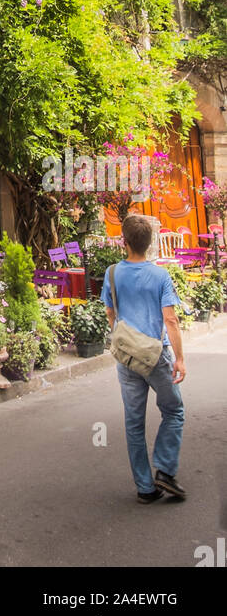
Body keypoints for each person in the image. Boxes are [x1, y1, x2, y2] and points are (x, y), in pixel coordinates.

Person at [101, 214, 186, 504]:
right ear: (150, 244)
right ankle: (164, 469)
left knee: (134, 423)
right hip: (155, 355)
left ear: (123, 242)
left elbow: (111, 314)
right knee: (173, 411)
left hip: (126, 358)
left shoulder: (112, 273)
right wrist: (180, 359)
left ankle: (145, 488)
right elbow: (170, 320)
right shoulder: (160, 276)